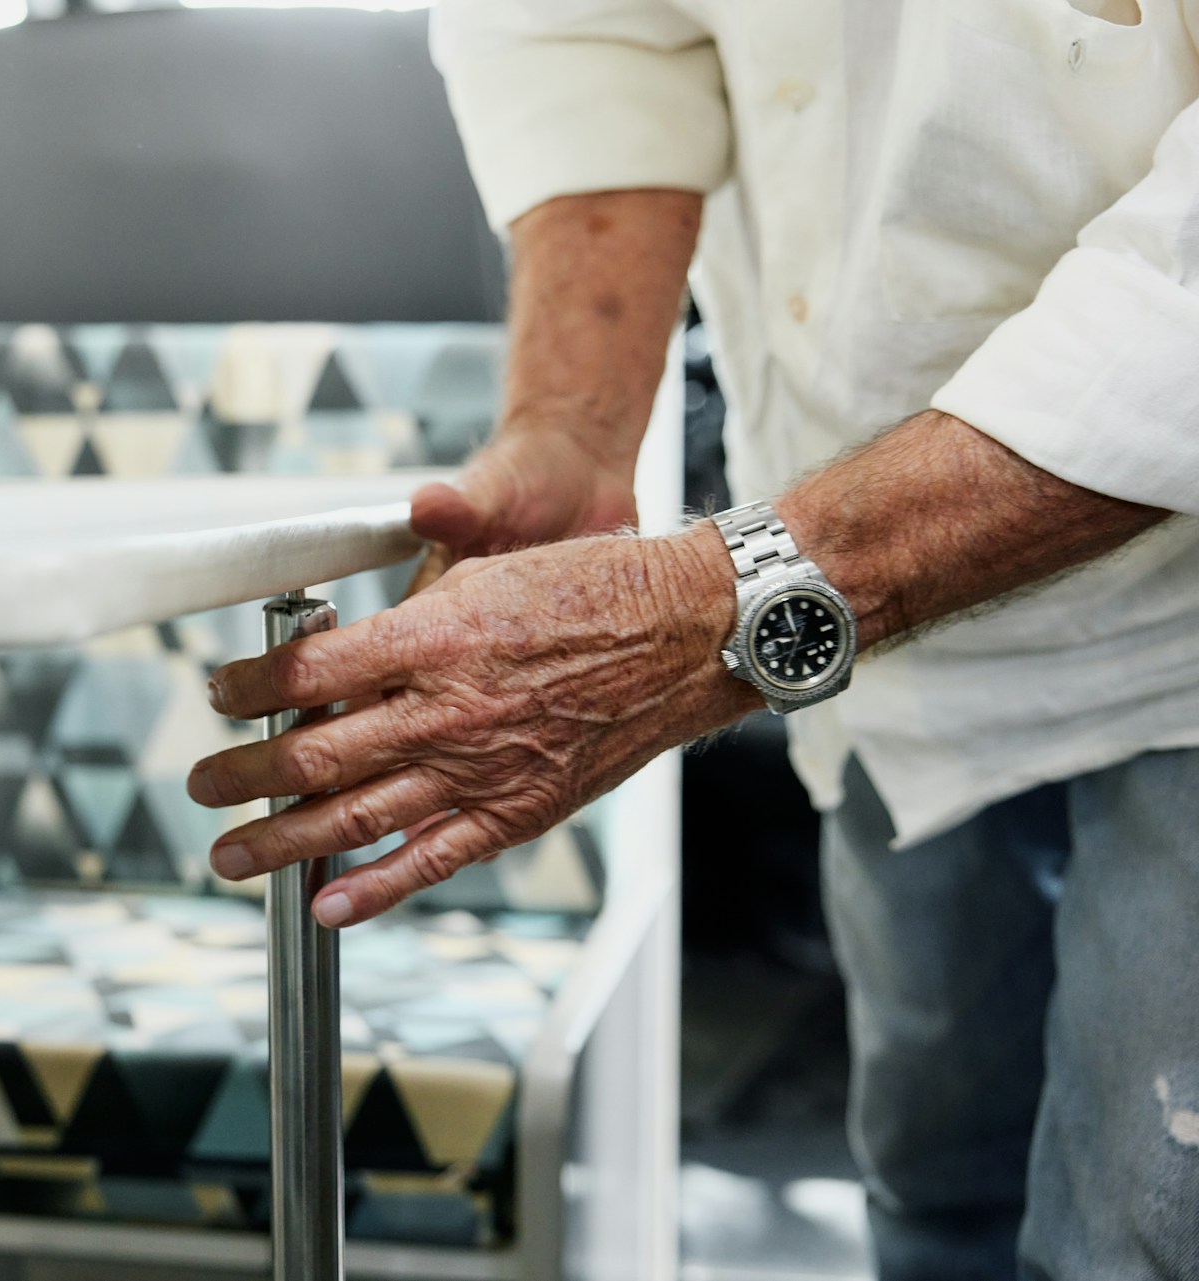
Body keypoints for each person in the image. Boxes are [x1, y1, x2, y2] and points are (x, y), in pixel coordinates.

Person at [185, 4, 1199, 1278]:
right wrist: (572, 420)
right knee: (941, 1199)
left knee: (1140, 1237)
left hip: (1179, 626)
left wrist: (727, 605)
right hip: (897, 647)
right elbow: (590, 23)